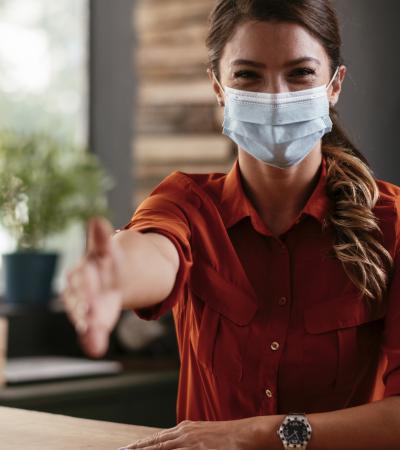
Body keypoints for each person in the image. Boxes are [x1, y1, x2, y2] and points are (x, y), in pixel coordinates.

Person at [62, 1, 400, 449]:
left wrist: (260, 434)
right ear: (218, 87)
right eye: (248, 75)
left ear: (334, 85)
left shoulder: (391, 223)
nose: (276, 97)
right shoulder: (187, 202)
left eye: (300, 73)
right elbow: (156, 250)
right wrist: (113, 279)